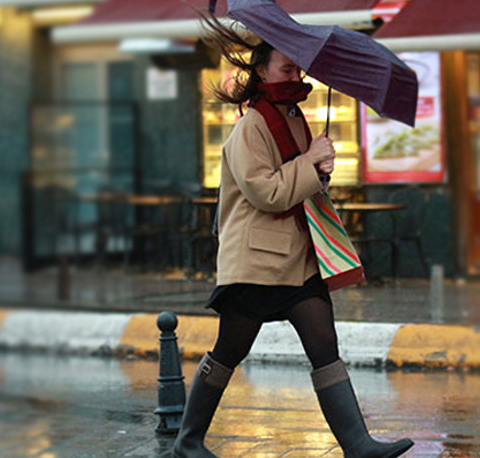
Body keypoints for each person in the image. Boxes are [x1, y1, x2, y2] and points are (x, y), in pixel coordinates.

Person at [171, 15, 414, 458]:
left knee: (324, 343)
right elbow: (267, 192)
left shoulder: (294, 116)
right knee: (230, 350)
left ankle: (357, 444)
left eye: (298, 69)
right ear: (261, 70)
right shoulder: (251, 126)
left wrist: (320, 170)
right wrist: (309, 163)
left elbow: (298, 184)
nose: (295, 76)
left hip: (298, 260)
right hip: (257, 264)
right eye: (287, 69)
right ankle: (188, 442)